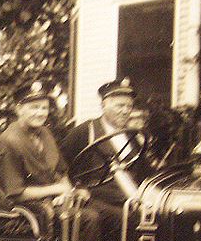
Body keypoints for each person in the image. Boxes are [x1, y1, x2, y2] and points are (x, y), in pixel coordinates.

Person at [0, 80, 105, 241]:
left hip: (54, 202)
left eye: (43, 107)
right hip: (26, 210)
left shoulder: (45, 133)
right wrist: (56, 192)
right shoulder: (9, 141)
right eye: (34, 107)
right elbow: (15, 193)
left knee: (99, 210)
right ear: (19, 109)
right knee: (88, 218)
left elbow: (61, 172)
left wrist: (68, 192)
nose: (40, 113)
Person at [59, 76, 149, 209]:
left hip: (132, 202)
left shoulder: (133, 136)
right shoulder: (84, 132)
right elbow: (61, 167)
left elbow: (144, 173)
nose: (125, 111)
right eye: (120, 105)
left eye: (129, 106)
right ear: (103, 106)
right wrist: (76, 189)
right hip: (95, 203)